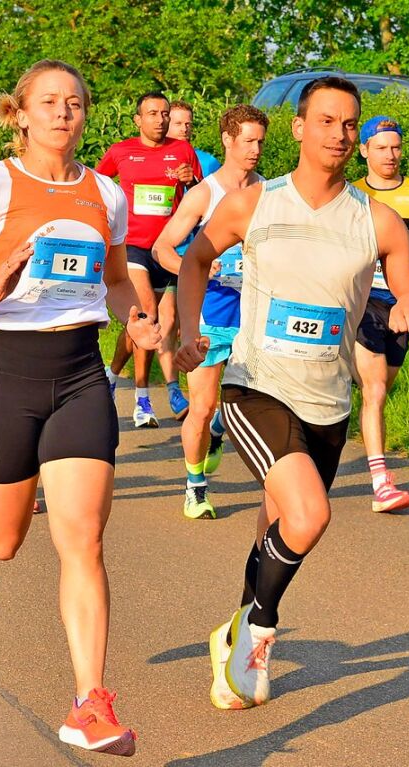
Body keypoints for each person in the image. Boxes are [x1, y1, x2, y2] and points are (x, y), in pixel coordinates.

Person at [175, 77, 409, 711]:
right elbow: (194, 260)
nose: (339, 134)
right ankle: (259, 634)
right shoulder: (254, 203)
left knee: (279, 523)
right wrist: (187, 331)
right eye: (325, 121)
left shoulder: (377, 220)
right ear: (297, 127)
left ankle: (233, 633)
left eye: (349, 124)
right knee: (311, 514)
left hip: (329, 401)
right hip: (255, 385)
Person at [0, 59, 161, 756]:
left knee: (83, 538)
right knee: (5, 538)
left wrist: (140, 321)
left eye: (75, 103)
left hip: (81, 375)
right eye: (49, 102)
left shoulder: (105, 194)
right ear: (20, 113)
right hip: (8, 373)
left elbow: (118, 282)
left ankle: (88, 701)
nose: (64, 112)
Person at [154, 105, 268, 520]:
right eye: (248, 141)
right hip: (210, 313)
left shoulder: (268, 192)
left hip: (257, 316)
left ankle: (219, 433)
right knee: (201, 406)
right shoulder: (204, 193)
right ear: (227, 140)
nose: (255, 149)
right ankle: (195, 488)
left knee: (251, 402)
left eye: (260, 141)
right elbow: (162, 248)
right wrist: (199, 265)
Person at [97, 92, 200, 426]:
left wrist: (191, 180)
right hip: (134, 247)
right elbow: (96, 184)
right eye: (152, 113)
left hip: (168, 249)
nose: (160, 119)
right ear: (138, 120)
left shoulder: (182, 150)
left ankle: (111, 377)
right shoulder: (121, 151)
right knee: (148, 314)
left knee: (158, 325)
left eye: (165, 113)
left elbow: (201, 194)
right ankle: (143, 401)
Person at [351, 116, 409, 513]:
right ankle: (381, 482)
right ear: (364, 150)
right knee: (376, 388)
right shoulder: (351, 194)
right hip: (360, 302)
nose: (390, 155)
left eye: (396, 147)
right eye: (381, 147)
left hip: (402, 305)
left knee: (383, 386)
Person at [168, 101, 221, 179]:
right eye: (178, 124)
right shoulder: (153, 158)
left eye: (188, 124)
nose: (184, 129)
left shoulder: (208, 162)